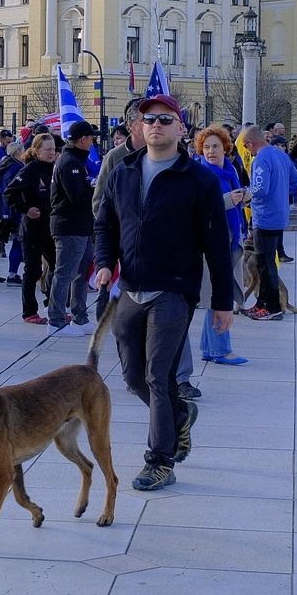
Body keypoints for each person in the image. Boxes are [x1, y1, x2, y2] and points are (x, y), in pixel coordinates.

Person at [91, 94, 234, 493]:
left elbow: (217, 247)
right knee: (133, 377)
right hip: (130, 288)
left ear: (181, 128)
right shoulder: (123, 172)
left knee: (158, 374)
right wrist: (104, 262)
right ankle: (179, 415)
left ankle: (160, 461)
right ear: (140, 126)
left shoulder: (199, 180)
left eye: (166, 120)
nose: (156, 125)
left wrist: (223, 303)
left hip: (174, 290)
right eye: (149, 119)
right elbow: (105, 224)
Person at [192, 127, 248, 365]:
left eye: (215, 146)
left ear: (225, 147)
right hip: (211, 241)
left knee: (217, 292)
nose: (210, 151)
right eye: (206, 147)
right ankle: (221, 349)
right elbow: (197, 207)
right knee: (217, 294)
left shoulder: (230, 170)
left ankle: (209, 347)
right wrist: (228, 200)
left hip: (229, 236)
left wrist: (243, 196)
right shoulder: (200, 173)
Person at [47, 120, 98, 333]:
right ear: (83, 139)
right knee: (65, 273)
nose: (93, 142)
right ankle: (56, 320)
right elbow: (76, 197)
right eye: (91, 138)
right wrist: (93, 189)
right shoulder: (70, 163)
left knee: (82, 273)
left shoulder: (76, 160)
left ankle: (80, 317)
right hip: (69, 226)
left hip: (81, 225)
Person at [5, 132, 58, 325]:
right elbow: (10, 193)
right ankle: (29, 311)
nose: (52, 153)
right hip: (33, 228)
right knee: (33, 270)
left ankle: (53, 305)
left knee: (56, 267)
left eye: (53, 149)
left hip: (51, 227)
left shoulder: (55, 168)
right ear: (36, 150)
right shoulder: (30, 170)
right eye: (47, 149)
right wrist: (25, 209)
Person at [246, 133, 297, 320]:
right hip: (279, 215)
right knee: (266, 263)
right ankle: (261, 303)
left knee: (265, 265)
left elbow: (260, 189)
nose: (248, 151)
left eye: (246, 147)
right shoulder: (281, 155)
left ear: (250, 143)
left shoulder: (260, 159)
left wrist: (246, 193)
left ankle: (272, 307)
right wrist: (281, 192)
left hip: (265, 217)